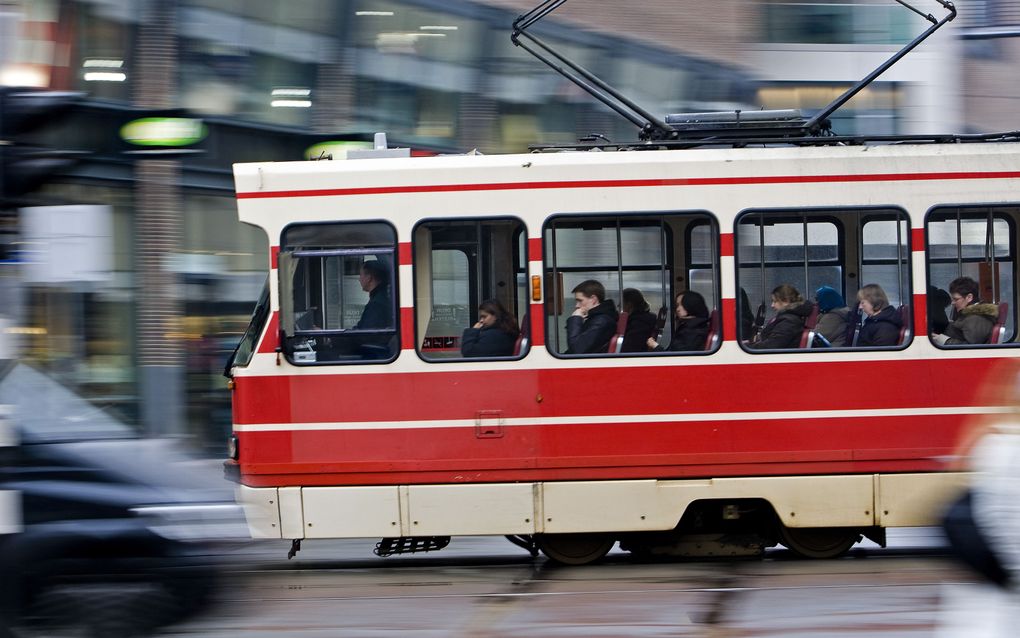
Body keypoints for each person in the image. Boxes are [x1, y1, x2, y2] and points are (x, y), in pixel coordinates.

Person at [932, 276, 999, 345]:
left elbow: (970, 347)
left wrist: (944, 340)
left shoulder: (976, 318)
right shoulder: (970, 315)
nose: (952, 303)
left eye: (956, 299)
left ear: (969, 297)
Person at [748, 284, 812, 350]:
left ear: (786, 301)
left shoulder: (789, 322)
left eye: (775, 301)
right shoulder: (789, 318)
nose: (772, 305)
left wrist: (746, 347)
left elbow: (771, 346)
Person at [566, 279, 618, 354]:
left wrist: (575, 319)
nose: (577, 305)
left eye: (580, 301)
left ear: (593, 299)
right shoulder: (596, 318)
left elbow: (576, 349)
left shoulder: (602, 321)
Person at [355, 259, 392, 330]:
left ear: (369, 278)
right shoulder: (382, 297)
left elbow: (365, 334)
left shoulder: (376, 304)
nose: (359, 279)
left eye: (361, 275)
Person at [620, 288, 657, 353]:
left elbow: (629, 348)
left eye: (621, 303)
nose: (619, 305)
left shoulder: (639, 324)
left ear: (629, 304)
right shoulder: (639, 320)